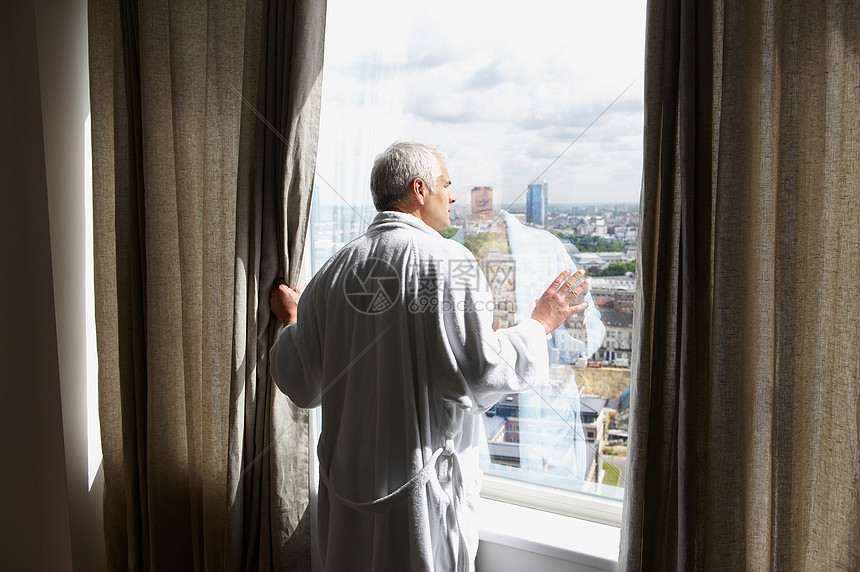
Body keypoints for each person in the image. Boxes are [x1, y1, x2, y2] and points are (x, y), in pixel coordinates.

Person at [269, 141, 590, 571]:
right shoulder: (449, 261)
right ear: (419, 189)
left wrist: (293, 321)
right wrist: (540, 324)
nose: (453, 196)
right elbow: (481, 375)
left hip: (345, 496)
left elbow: (301, 383)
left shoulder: (333, 270)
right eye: (447, 184)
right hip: (418, 502)